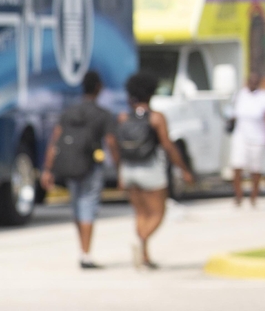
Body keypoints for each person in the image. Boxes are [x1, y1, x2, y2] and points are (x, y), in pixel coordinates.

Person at [40, 71, 118, 269]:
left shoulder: (69, 112)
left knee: (77, 206)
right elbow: (110, 142)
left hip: (70, 164)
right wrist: (119, 166)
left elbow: (54, 141)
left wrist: (47, 169)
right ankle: (86, 253)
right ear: (98, 88)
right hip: (91, 165)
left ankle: (82, 250)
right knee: (88, 206)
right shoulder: (103, 114)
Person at [117, 72, 194, 270]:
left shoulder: (123, 117)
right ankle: (142, 240)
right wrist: (184, 169)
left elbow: (118, 147)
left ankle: (144, 255)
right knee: (158, 213)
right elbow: (168, 146)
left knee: (141, 213)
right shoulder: (157, 118)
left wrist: (119, 171)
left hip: (128, 170)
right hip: (150, 169)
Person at [229, 70, 265, 208]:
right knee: (237, 166)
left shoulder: (264, 97)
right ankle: (238, 195)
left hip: (258, 137)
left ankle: (254, 195)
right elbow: (232, 114)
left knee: (256, 169)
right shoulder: (240, 95)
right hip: (241, 135)